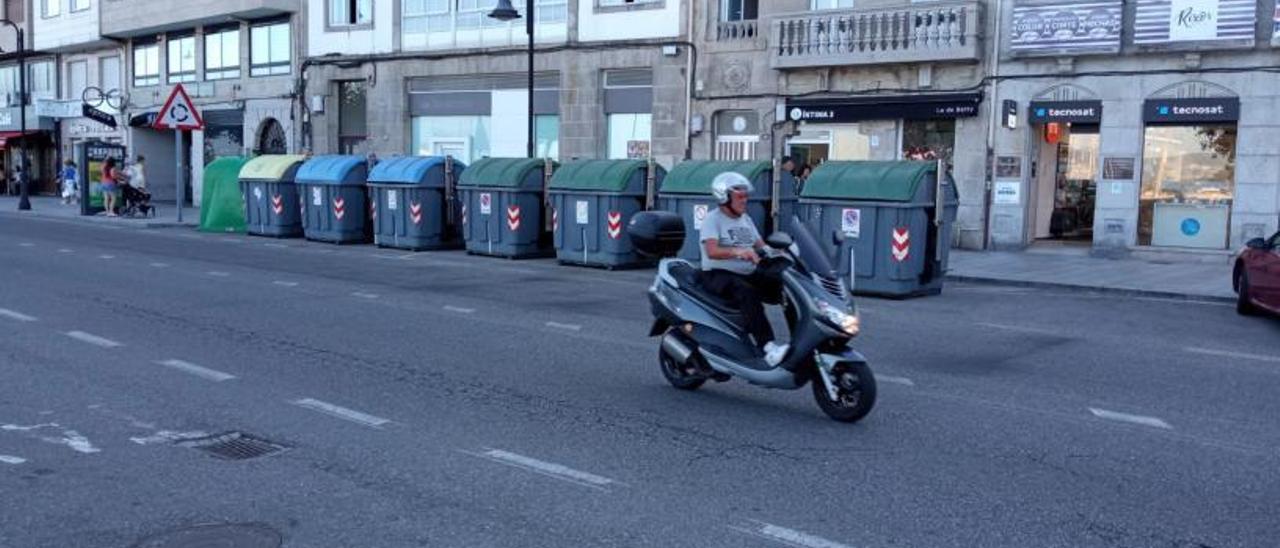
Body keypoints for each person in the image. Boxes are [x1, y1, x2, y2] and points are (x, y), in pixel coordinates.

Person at [700, 172, 789, 366]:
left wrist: (778, 252)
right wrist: (739, 252)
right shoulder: (712, 219)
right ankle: (767, 346)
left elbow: (760, 245)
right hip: (718, 275)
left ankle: (800, 338)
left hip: (747, 272)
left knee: (785, 285)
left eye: (746, 196)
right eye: (740, 197)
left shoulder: (745, 219)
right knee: (747, 292)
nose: (745, 200)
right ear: (724, 197)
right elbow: (712, 251)